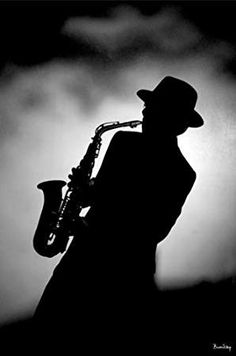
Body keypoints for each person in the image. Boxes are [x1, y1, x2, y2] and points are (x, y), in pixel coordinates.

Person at [33, 76, 204, 352]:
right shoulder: (123, 142)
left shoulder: (181, 173)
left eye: (154, 107)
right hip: (81, 259)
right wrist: (83, 188)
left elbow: (154, 231)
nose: (145, 112)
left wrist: (87, 227)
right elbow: (99, 193)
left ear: (177, 122)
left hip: (123, 276)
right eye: (147, 107)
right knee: (45, 334)